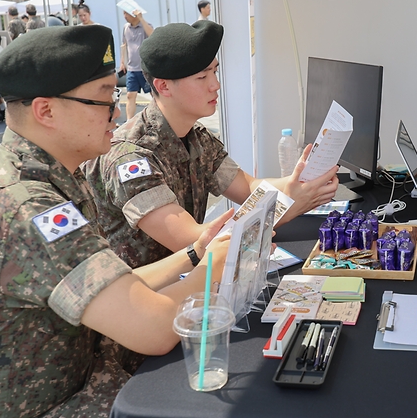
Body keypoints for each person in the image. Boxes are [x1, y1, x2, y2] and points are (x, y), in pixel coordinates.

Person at [0, 25, 233, 417]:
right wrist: (223, 262)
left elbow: (112, 285)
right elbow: (155, 327)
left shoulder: (50, 177)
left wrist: (196, 254)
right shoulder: (21, 205)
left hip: (63, 387)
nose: (116, 111)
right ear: (46, 110)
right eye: (102, 98)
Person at [84, 21, 339, 271]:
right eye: (202, 76)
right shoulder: (130, 157)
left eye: (214, 72)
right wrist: (291, 203)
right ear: (163, 86)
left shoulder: (197, 136)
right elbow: (192, 239)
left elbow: (249, 188)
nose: (215, 84)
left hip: (186, 285)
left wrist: (302, 182)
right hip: (142, 301)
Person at [119, 9, 154, 119]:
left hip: (145, 68)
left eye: (127, 13)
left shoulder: (145, 25)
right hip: (131, 68)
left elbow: (152, 35)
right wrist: (122, 62)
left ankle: (156, 117)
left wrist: (141, 19)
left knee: (154, 95)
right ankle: (129, 121)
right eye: (123, 13)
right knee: (130, 95)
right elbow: (124, 45)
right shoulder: (125, 28)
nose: (125, 16)